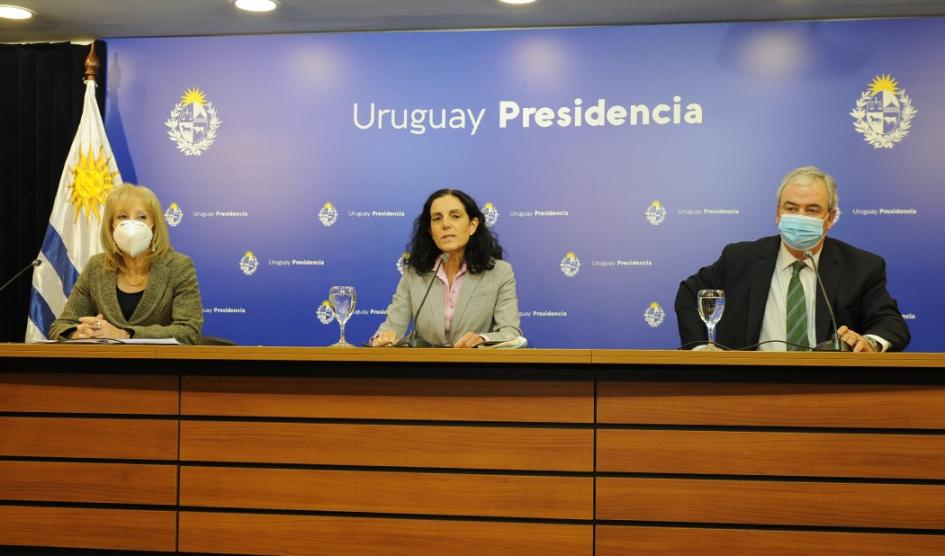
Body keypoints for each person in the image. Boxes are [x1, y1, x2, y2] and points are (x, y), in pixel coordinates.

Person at [675, 166, 910, 352]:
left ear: (830, 218)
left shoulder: (861, 266)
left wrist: (869, 342)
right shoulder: (740, 258)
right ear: (778, 214)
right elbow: (689, 293)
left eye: (812, 210)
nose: (800, 217)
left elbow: (891, 324)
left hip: (829, 388)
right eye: (791, 208)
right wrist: (700, 348)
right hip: (749, 385)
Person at [48, 184, 203, 344]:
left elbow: (188, 331)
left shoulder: (178, 266)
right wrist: (78, 333)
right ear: (111, 224)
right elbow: (61, 326)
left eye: (142, 217)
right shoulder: (96, 266)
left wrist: (124, 334)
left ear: (154, 224)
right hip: (105, 365)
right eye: (122, 216)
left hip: (159, 365)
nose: (132, 225)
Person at [370, 188, 523, 348]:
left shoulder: (499, 273)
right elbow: (392, 326)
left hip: (477, 367)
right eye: (437, 218)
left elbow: (511, 334)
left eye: (455, 216)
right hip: (424, 369)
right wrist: (383, 338)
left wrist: (482, 339)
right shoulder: (414, 273)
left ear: (472, 225)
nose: (445, 225)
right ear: (430, 230)